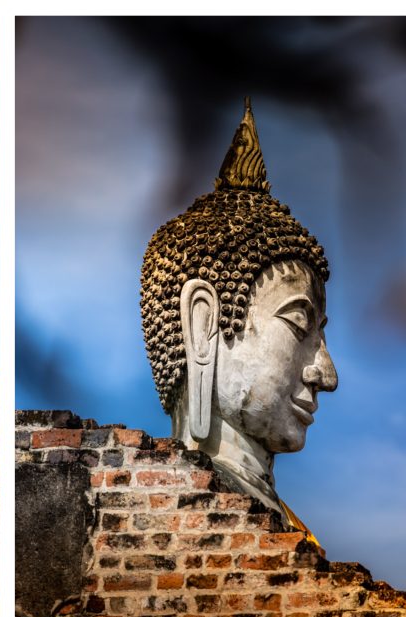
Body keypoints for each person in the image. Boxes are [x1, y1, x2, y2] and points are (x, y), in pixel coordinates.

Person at [140, 98, 337, 550]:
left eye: (321, 336)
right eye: (298, 324)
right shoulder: (146, 515)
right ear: (203, 325)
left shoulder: (286, 533)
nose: (326, 374)